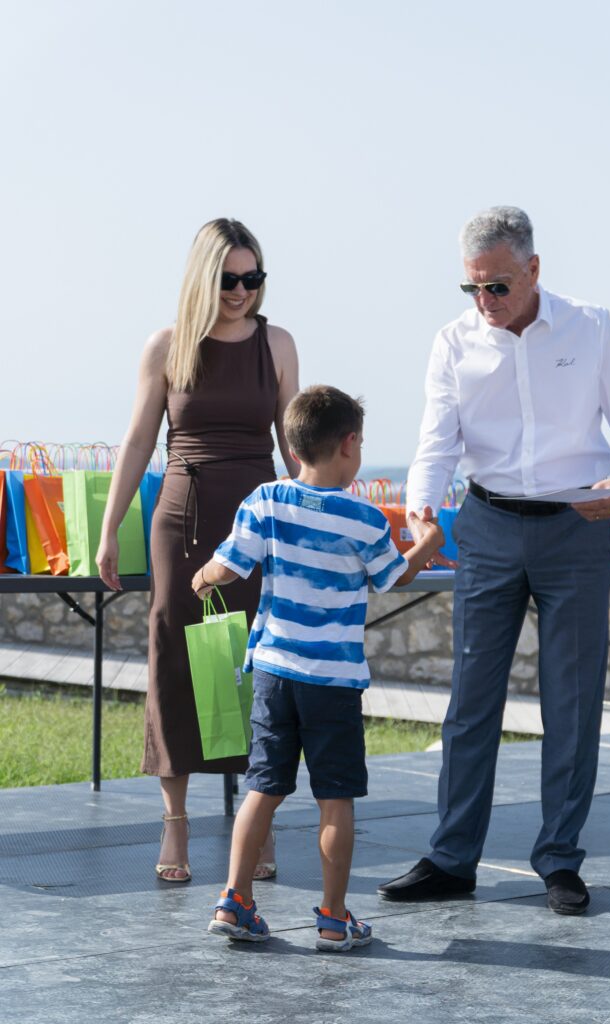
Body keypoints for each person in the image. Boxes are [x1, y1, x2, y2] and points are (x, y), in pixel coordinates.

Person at [377, 206, 610, 915]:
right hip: (488, 526)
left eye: (497, 285)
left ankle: (559, 860)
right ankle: (451, 859)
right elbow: (436, 443)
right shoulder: (453, 342)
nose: (485, 301)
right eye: (471, 287)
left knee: (572, 703)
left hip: (576, 529)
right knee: (471, 701)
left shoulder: (590, 327)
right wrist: (420, 512)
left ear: (533, 269)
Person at [191, 385, 444, 949]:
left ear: (293, 446)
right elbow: (393, 577)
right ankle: (332, 918)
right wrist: (428, 543)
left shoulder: (266, 500)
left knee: (262, 788)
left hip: (275, 672)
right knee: (335, 799)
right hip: (332, 682)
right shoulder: (365, 519)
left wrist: (202, 576)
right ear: (350, 444)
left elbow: (229, 567)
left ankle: (234, 902)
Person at [96, 218, 299, 882]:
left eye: (252, 278)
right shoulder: (167, 345)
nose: (240, 291)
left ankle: (257, 821)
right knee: (177, 660)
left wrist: (320, 518)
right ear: (203, 278)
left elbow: (294, 445)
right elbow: (136, 442)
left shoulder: (277, 343)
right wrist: (109, 529)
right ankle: (175, 822)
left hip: (258, 523)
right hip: (181, 521)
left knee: (257, 664)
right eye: (228, 279)